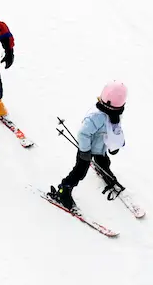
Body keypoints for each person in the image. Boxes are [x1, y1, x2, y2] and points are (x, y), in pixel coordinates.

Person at [50, 81, 128, 211]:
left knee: (104, 162)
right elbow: (83, 134)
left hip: (100, 148)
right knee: (80, 172)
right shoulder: (97, 116)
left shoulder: (113, 114)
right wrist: (85, 151)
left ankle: (105, 173)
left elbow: (114, 130)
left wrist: (115, 144)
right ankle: (64, 190)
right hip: (86, 150)